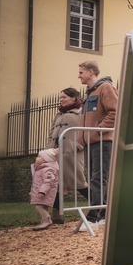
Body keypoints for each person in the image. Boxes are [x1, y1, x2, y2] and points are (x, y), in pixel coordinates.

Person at [78, 60, 118, 225]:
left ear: (90, 72)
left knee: (98, 178)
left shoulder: (106, 88)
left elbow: (115, 112)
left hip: (102, 141)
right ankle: (103, 215)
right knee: (95, 178)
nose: (78, 75)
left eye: (81, 72)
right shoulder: (90, 93)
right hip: (91, 142)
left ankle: (94, 217)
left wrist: (97, 131)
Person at [45, 87, 89, 224]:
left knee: (78, 181)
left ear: (74, 98)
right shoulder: (59, 114)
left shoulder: (82, 112)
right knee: (57, 183)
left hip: (72, 154)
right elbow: (51, 134)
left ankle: (100, 205)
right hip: (56, 154)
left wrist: (79, 146)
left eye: (64, 97)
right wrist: (48, 150)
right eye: (60, 97)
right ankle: (57, 215)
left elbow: (87, 132)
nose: (61, 99)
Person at [29, 148, 59, 230]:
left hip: (44, 193)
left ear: (46, 160)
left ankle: (47, 221)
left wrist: (42, 191)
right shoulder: (41, 169)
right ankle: (44, 221)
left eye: (39, 157)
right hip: (42, 192)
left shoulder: (48, 170)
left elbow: (48, 182)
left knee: (39, 206)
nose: (37, 158)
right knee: (43, 207)